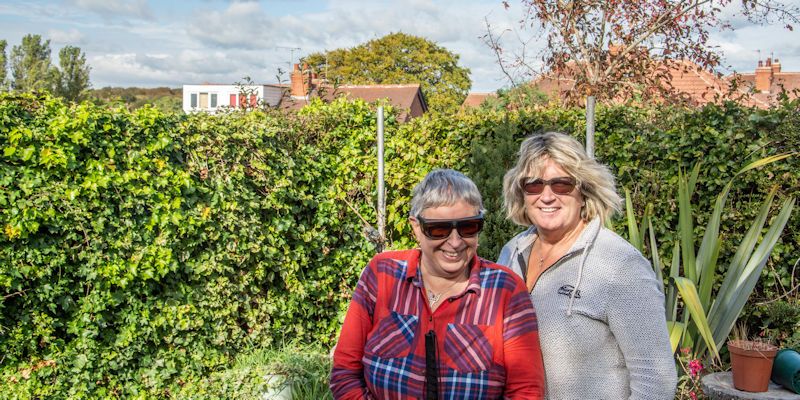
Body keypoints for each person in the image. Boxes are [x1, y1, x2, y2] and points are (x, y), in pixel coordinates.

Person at [331, 169, 545, 399]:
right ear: (416, 228)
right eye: (439, 229)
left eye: (468, 227)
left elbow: (525, 391)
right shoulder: (383, 274)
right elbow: (345, 372)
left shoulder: (504, 291)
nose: (454, 242)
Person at [497, 132, 677, 399]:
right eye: (533, 184)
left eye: (561, 184)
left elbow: (656, 381)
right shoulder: (511, 253)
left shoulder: (620, 266)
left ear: (583, 191)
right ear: (521, 193)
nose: (546, 196)